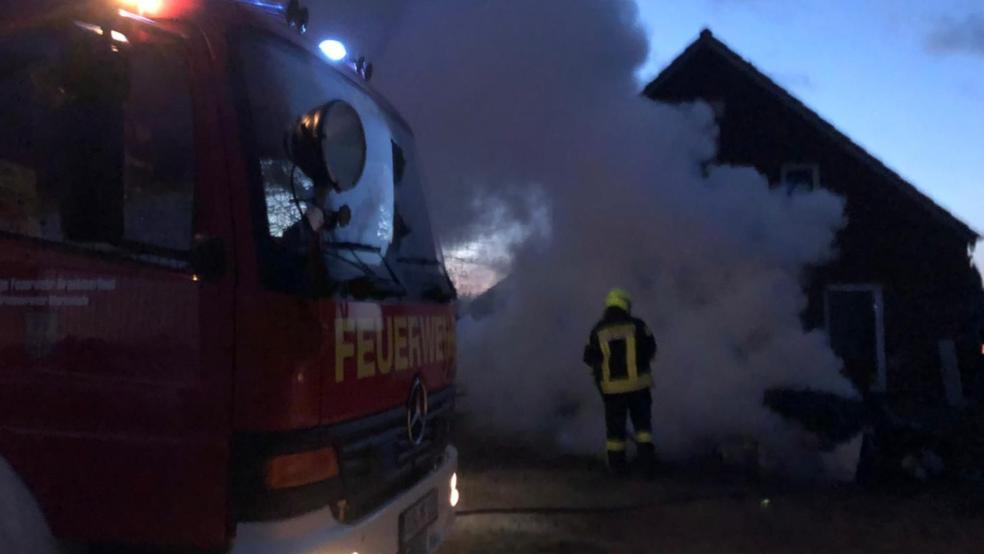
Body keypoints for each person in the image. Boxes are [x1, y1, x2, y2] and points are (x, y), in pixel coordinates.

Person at [583, 288, 658, 477]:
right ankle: (647, 465)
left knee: (615, 432)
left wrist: (600, 372)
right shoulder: (638, 326)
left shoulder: (598, 330)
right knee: (642, 429)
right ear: (626, 304)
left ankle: (617, 469)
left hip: (612, 390)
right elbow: (651, 348)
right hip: (640, 387)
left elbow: (589, 357)